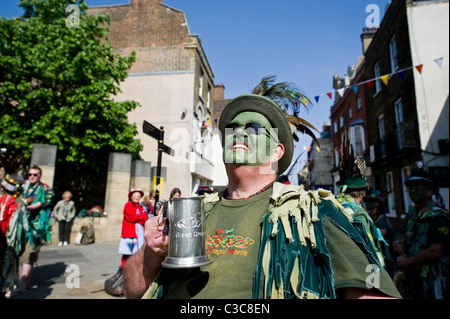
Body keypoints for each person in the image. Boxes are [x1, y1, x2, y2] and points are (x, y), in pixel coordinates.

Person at [123, 76, 401, 299]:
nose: (239, 132)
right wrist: (151, 253)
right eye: (232, 127)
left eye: (254, 128)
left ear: (277, 151)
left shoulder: (314, 212)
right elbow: (132, 292)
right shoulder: (192, 212)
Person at [392, 168, 449, 299]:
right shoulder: (412, 217)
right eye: (410, 188)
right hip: (414, 282)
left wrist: (407, 261)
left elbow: (435, 250)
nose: (412, 191)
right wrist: (401, 245)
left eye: (417, 188)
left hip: (433, 284)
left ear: (429, 192)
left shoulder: (439, 217)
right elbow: (412, 243)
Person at [0, 157, 30, 298]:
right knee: (6, 268)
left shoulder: (18, 204)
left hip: (6, 242)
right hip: (8, 244)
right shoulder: (19, 204)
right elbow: (25, 226)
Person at [18, 165, 48, 293]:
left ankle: (22, 284)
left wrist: (24, 206)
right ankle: (26, 283)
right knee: (17, 254)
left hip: (35, 228)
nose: (32, 177)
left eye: (35, 174)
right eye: (30, 174)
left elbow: (39, 204)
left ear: (40, 176)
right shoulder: (22, 187)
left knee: (29, 254)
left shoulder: (45, 189)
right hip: (19, 226)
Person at [364, 190, 397, 278]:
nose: (367, 203)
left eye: (370, 201)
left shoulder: (382, 219)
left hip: (385, 255)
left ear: (377, 203)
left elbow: (383, 232)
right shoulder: (367, 216)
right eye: (366, 201)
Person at [118, 188, 149, 270]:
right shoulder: (127, 205)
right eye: (135, 195)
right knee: (127, 251)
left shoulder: (141, 207)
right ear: (131, 197)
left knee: (138, 250)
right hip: (130, 231)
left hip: (140, 231)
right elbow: (132, 217)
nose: (137, 197)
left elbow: (145, 218)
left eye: (138, 196)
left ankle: (136, 266)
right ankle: (123, 266)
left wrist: (140, 218)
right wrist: (140, 218)